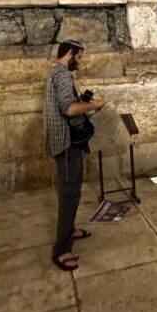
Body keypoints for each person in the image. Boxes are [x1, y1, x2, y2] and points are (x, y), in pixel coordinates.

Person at [44, 40, 105, 271]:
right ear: (69, 54)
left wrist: (85, 103)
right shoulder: (62, 75)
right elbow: (69, 110)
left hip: (68, 142)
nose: (79, 62)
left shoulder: (58, 74)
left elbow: (70, 104)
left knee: (72, 191)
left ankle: (69, 231)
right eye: (78, 57)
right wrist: (95, 105)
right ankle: (62, 250)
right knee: (69, 194)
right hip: (66, 143)